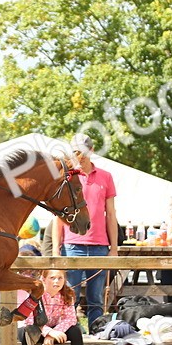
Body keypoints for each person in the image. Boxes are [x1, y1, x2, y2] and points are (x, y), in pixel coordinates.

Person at [57, 132, 117, 325]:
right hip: (72, 245)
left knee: (96, 298)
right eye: (75, 151)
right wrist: (56, 248)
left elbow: (111, 214)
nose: (80, 155)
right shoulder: (67, 176)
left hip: (100, 245)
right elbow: (59, 215)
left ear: (91, 150)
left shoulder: (106, 177)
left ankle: (96, 332)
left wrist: (114, 248)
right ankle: (69, 331)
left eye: (83, 151)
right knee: (70, 296)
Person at [19, 270, 84, 345]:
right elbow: (30, 321)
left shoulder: (67, 295)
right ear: (44, 279)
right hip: (32, 329)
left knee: (75, 331)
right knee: (29, 332)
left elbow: (70, 319)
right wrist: (49, 332)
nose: (56, 281)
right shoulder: (35, 294)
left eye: (60, 278)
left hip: (54, 330)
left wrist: (53, 334)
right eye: (52, 278)